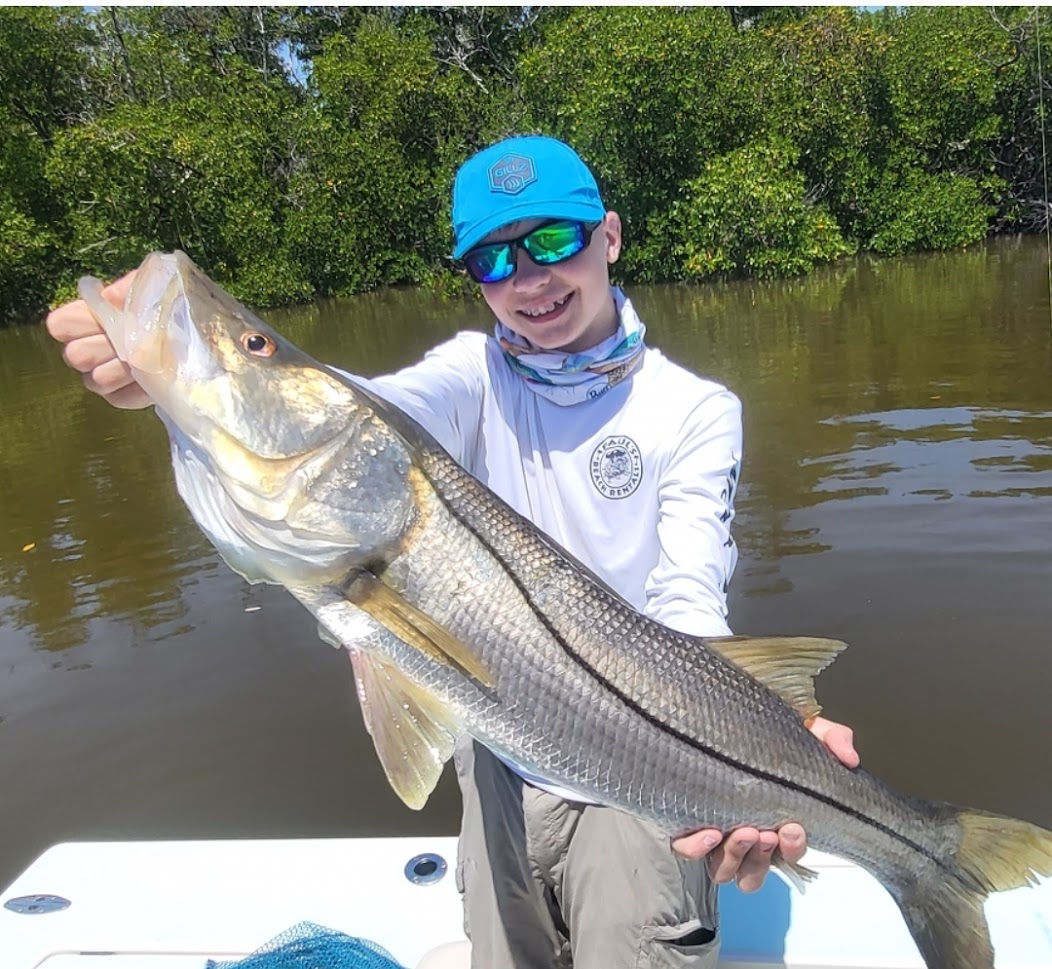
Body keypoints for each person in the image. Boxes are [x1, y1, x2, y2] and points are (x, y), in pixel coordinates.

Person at [48, 134, 859, 968]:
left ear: (609, 236)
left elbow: (688, 593)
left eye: (553, 240)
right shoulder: (469, 373)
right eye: (493, 259)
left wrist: (765, 731)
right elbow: (367, 411)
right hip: (502, 752)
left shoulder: (695, 408)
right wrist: (168, 378)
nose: (531, 278)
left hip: (650, 765)